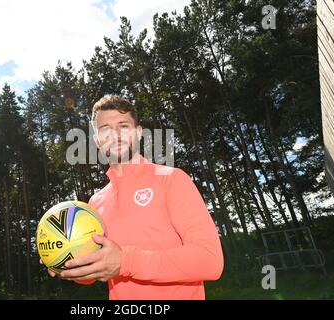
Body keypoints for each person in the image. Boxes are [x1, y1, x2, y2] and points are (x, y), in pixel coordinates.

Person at [46, 94, 224, 300]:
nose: (115, 135)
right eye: (105, 129)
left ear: (138, 133)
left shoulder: (172, 179)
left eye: (123, 126)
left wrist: (126, 262)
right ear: (97, 140)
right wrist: (65, 263)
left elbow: (210, 261)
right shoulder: (95, 203)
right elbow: (93, 272)